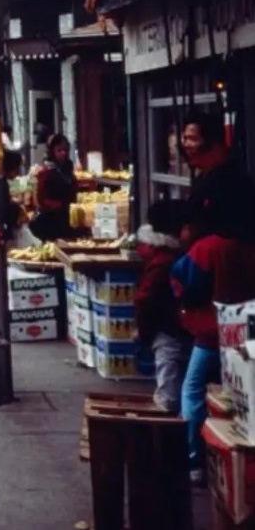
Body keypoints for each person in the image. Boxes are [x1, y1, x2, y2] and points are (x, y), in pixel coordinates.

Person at [170, 112, 255, 483]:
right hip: (239, 320)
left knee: (195, 386)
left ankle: (194, 461)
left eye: (191, 138)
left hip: (216, 324)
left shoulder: (211, 248)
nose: (186, 145)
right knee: (236, 387)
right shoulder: (235, 243)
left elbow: (185, 283)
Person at [135, 199, 189, 414]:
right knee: (172, 364)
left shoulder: (160, 259)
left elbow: (145, 298)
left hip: (167, 324)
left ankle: (168, 405)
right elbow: (147, 298)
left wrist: (143, 328)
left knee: (169, 364)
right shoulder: (171, 257)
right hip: (172, 322)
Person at [29, 134, 78, 241]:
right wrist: (60, 206)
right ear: (52, 151)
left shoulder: (68, 169)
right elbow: (40, 200)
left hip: (69, 219)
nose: (63, 153)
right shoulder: (45, 171)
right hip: (51, 221)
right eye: (59, 150)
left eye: (65, 150)